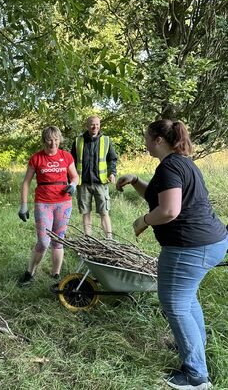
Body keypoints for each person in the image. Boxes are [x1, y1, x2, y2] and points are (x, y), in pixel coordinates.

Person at [116, 119, 227, 390]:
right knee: (186, 301)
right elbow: (161, 199)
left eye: (146, 137)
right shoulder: (181, 162)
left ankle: (195, 376)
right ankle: (195, 354)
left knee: (175, 304)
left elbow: (169, 210)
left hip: (189, 247)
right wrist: (135, 181)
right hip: (211, 241)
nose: (144, 142)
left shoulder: (169, 167)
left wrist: (143, 220)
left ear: (157, 140)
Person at [18, 126, 79, 284]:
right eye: (50, 140)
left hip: (64, 203)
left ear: (60, 140)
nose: (53, 143)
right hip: (43, 203)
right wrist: (23, 205)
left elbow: (75, 177)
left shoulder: (66, 156)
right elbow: (26, 183)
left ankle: (55, 274)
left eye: (56, 139)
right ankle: (30, 272)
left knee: (58, 240)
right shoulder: (36, 158)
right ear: (44, 140)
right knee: (44, 241)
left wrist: (73, 185)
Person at [71, 115, 118, 239]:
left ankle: (109, 240)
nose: (95, 127)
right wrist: (71, 181)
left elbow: (112, 159)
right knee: (86, 213)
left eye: (97, 124)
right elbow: (71, 162)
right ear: (87, 126)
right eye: (92, 124)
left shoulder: (106, 140)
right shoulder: (78, 141)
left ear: (100, 125)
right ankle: (88, 240)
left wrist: (112, 173)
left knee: (104, 213)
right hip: (83, 183)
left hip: (101, 183)